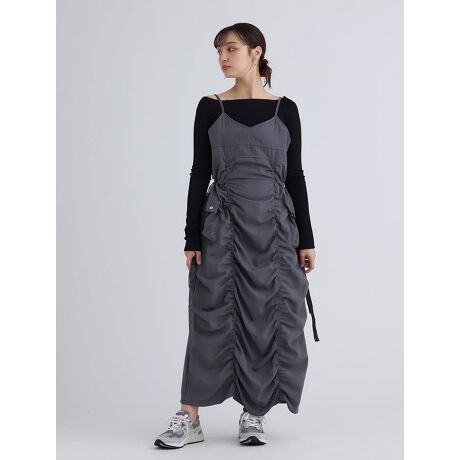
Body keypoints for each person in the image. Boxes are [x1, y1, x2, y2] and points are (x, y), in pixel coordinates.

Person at [154, 22, 319, 449]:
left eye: (231, 49)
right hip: (222, 227)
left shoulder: (286, 109)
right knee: (209, 316)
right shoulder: (210, 107)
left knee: (266, 316)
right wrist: (192, 237)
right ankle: (189, 417)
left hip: (275, 229)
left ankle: (254, 411)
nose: (223, 58)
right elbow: (199, 173)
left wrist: (306, 238)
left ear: (256, 52)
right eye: (219, 51)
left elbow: (295, 176)